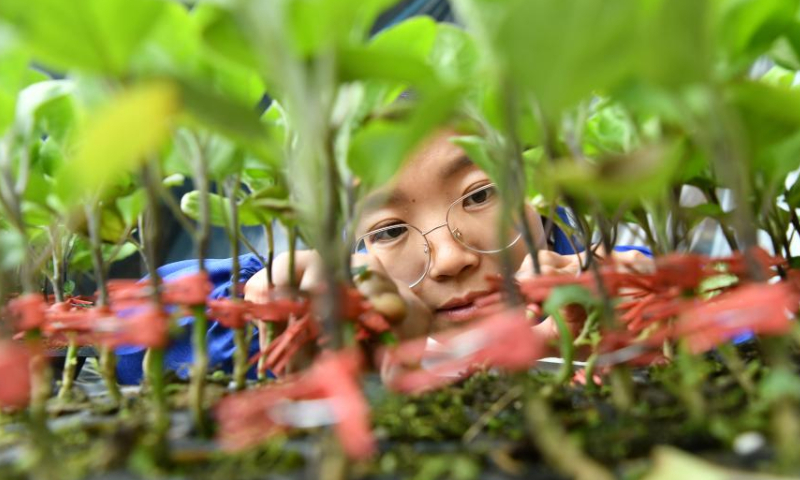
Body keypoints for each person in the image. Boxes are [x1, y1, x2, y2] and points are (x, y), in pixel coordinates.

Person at [114, 127, 650, 384]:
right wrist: (261, 311)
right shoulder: (337, 298)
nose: (447, 258)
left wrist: (638, 307)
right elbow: (121, 327)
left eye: (481, 195)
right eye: (390, 229)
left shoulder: (603, 279)